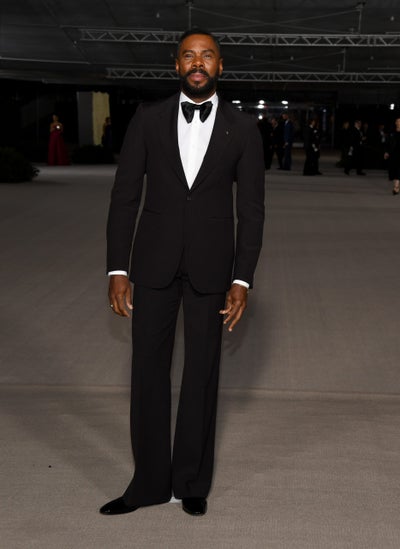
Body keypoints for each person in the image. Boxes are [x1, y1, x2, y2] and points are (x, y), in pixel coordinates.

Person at [100, 29, 265, 518]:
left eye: (207, 56)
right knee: (147, 373)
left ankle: (191, 482)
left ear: (220, 66)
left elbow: (251, 210)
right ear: (176, 65)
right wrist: (117, 267)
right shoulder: (148, 118)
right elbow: (125, 196)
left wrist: (242, 279)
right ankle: (148, 484)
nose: (198, 63)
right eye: (189, 56)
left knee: (201, 375)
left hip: (213, 269)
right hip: (152, 264)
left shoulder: (243, 128)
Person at [384, 117, 400, 195]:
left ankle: (396, 187)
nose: (398, 123)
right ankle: (396, 186)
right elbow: (387, 143)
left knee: (399, 170)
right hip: (393, 154)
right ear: (395, 123)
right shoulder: (391, 132)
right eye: (397, 121)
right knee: (393, 170)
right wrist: (386, 152)